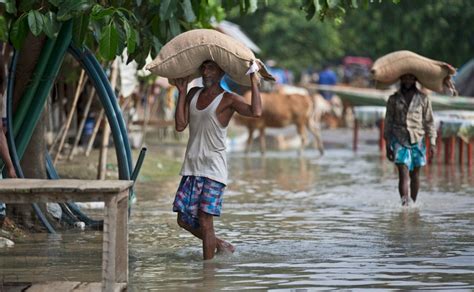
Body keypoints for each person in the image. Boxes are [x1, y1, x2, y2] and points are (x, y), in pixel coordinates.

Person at [172, 60, 262, 260]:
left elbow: (256, 112)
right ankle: (221, 244)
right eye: (203, 67)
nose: (205, 72)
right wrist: (182, 90)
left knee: (205, 220)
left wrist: (253, 80)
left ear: (221, 72)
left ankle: (208, 273)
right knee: (183, 220)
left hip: (213, 169)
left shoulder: (229, 99)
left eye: (210, 68)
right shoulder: (192, 94)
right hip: (191, 167)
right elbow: (180, 125)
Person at [383, 74, 436, 206]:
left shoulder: (423, 99)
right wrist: (387, 144)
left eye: (411, 78)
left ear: (415, 80)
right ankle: (405, 206)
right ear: (401, 80)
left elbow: (429, 122)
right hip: (398, 138)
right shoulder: (393, 99)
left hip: (417, 139)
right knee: (403, 173)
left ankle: (413, 203)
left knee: (415, 175)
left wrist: (433, 143)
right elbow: (388, 122)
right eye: (405, 78)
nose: (408, 81)